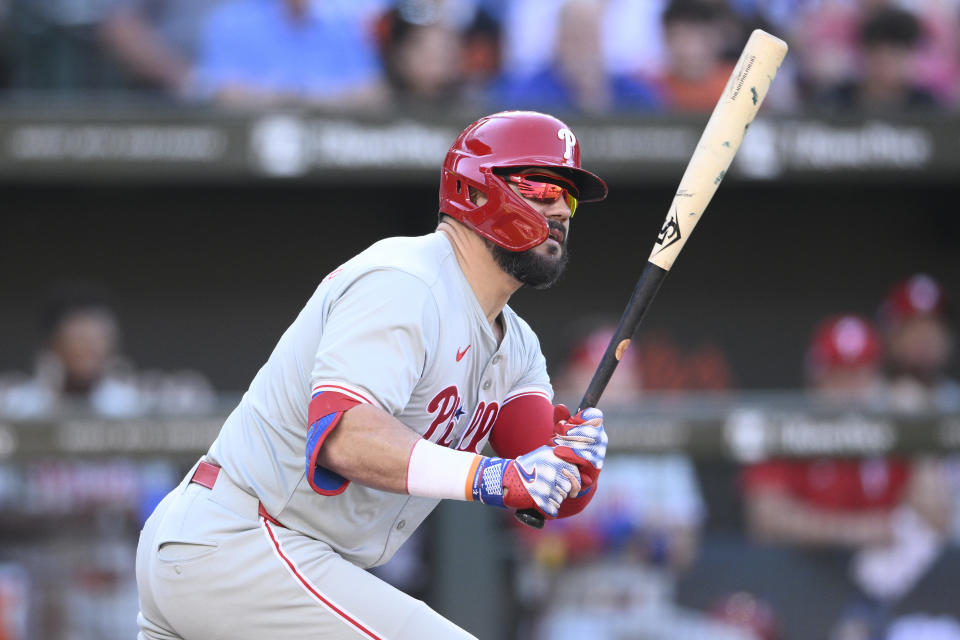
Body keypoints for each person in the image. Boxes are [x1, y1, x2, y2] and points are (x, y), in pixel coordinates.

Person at [135, 110, 611, 639]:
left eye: (566, 197)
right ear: (475, 192)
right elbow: (343, 438)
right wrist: (493, 477)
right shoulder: (406, 281)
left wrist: (569, 464)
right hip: (242, 539)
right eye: (542, 187)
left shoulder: (518, 345)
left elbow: (540, 483)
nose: (559, 211)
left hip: (271, 564)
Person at [741, 314, 953, 639]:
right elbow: (765, 519)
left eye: (860, 374)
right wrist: (856, 530)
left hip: (893, 599)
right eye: (838, 376)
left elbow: (938, 519)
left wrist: (918, 432)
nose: (851, 389)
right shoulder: (791, 423)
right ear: (817, 378)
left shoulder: (893, 428)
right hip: (804, 591)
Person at [193, 0, 388, 109]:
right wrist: (314, 100)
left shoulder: (357, 18)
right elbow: (224, 94)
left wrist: (287, 99)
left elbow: (374, 91)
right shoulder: (231, 21)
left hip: (340, 144)